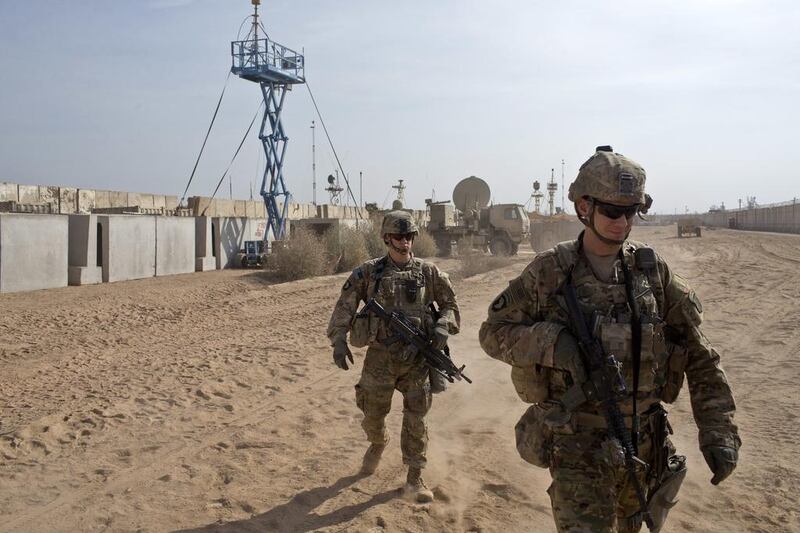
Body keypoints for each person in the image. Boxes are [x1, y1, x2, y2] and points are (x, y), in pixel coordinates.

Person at [479, 146, 740, 532]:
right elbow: (492, 332)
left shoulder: (652, 272)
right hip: (579, 446)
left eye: (632, 212)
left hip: (646, 444)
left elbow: (699, 354)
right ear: (585, 207)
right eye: (613, 211)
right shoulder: (550, 272)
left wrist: (717, 430)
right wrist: (552, 343)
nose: (623, 223)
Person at [327, 210, 460, 502]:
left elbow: (451, 305)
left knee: (417, 418)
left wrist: (443, 325)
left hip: (417, 362)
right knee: (372, 415)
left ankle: (415, 478)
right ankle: (378, 442)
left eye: (409, 236)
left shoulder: (429, 272)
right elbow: (345, 306)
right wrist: (338, 340)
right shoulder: (367, 272)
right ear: (387, 238)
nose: (405, 242)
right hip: (380, 359)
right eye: (399, 236)